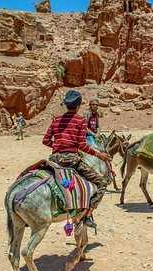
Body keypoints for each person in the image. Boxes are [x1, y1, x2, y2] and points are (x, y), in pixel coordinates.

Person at [43, 90, 111, 228]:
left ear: (66, 105)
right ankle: (87, 215)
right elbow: (82, 145)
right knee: (102, 182)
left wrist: (57, 146)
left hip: (54, 160)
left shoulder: (56, 121)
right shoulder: (80, 121)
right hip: (72, 160)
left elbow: (45, 140)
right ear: (78, 105)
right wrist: (99, 155)